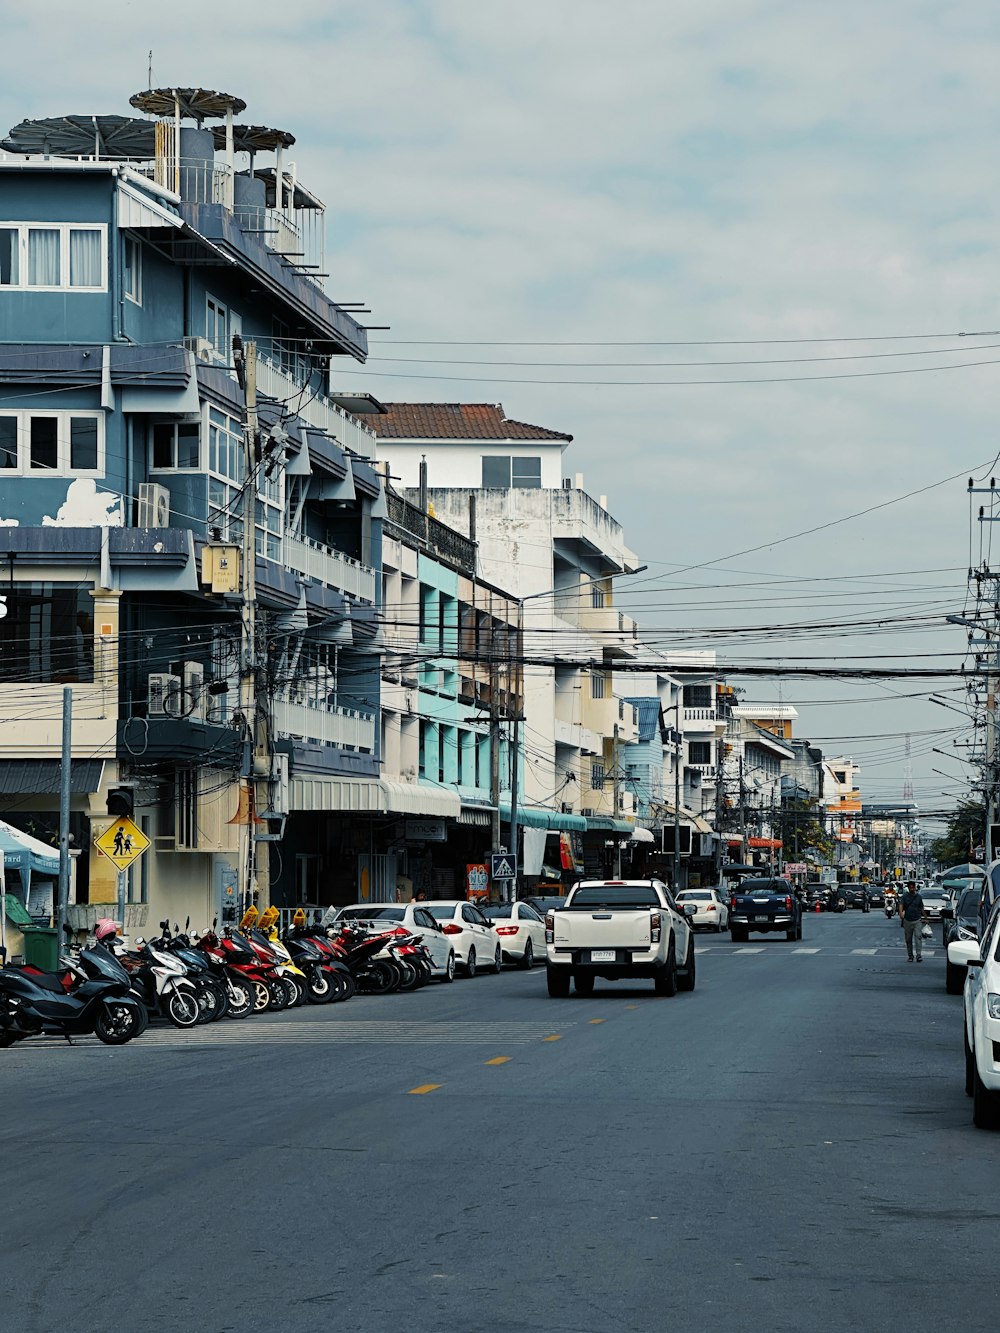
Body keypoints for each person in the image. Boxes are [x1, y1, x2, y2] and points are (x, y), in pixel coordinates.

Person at [897, 879, 925, 962]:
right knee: (908, 939)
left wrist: (926, 918)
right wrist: (901, 913)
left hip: (917, 920)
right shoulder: (905, 896)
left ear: (915, 888)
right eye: (910, 888)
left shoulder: (919, 897)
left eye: (913, 887)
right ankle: (910, 956)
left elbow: (921, 908)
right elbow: (901, 905)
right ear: (908, 888)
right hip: (907, 920)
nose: (912, 889)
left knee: (918, 937)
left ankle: (918, 955)